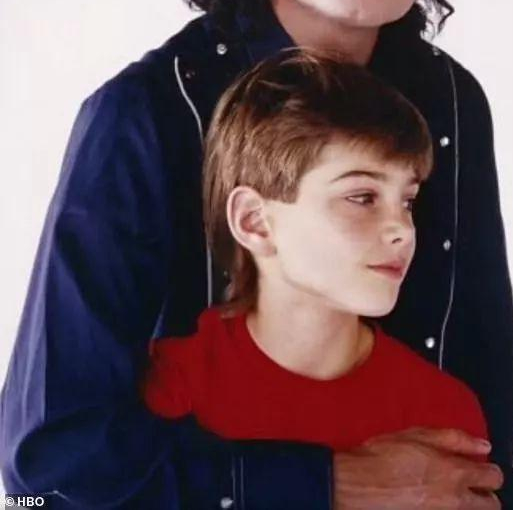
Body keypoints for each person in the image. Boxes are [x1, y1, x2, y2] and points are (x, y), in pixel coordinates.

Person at [0, 0, 513, 509]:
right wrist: (325, 484)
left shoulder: (448, 102)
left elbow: (482, 377)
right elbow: (47, 461)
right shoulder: (145, 114)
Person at [142, 49, 489, 452]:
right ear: (254, 221)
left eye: (407, 202)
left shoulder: (444, 416)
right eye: (362, 197)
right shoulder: (170, 391)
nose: (403, 230)